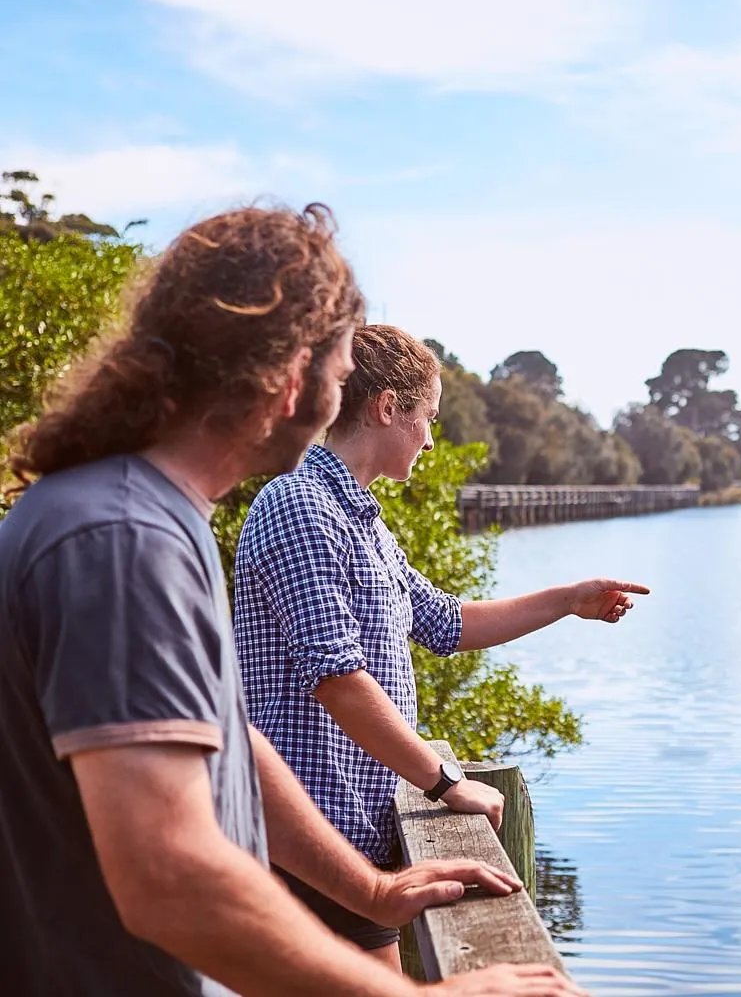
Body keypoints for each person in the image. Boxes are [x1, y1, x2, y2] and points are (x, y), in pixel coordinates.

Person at [0, 205, 586, 997]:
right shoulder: (120, 537)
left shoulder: (144, 518)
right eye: (341, 374)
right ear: (287, 372)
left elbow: (230, 738)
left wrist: (370, 890)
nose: (339, 398)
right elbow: (165, 875)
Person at [234, 322, 649, 968]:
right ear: (387, 406)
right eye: (428, 416)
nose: (431, 438)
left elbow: (447, 623)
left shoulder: (361, 520)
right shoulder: (299, 505)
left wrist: (567, 601)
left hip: (353, 835)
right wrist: (446, 782)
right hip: (307, 843)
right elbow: (335, 677)